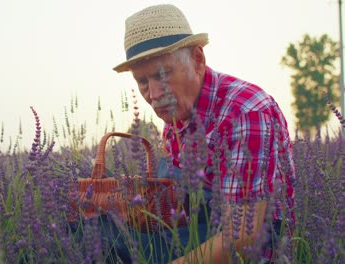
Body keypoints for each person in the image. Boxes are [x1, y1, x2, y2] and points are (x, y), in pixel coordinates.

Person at [112, 4, 296, 263]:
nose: (153, 94)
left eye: (162, 75)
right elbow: (182, 203)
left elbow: (244, 235)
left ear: (197, 59)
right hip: (198, 230)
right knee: (101, 227)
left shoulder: (245, 112)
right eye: (142, 81)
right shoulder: (177, 112)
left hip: (250, 249)